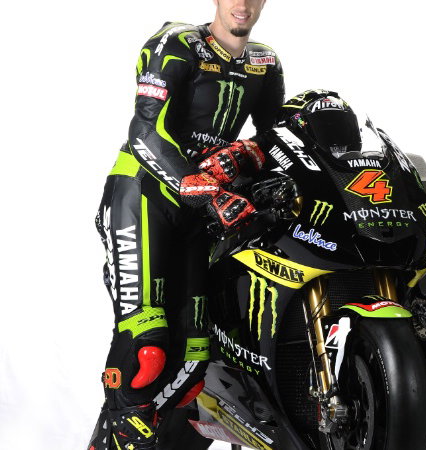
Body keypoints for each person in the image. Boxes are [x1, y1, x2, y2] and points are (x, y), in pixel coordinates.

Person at [89, 0, 284, 448]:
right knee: (147, 346)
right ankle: (120, 436)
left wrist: (247, 153)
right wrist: (204, 187)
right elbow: (144, 133)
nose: (242, 5)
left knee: (194, 358)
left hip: (200, 211)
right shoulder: (176, 42)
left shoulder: (266, 62)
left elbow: (273, 138)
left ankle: (136, 434)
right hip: (142, 195)